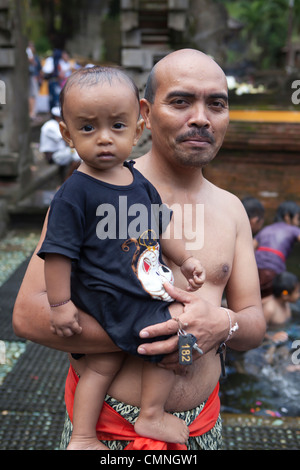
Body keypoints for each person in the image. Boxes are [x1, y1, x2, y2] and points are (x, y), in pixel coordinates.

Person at [13, 48, 266, 451]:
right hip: (107, 429)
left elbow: (253, 321)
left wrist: (221, 325)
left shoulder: (232, 209)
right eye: (181, 101)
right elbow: (28, 315)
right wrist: (158, 331)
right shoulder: (93, 190)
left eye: (216, 103)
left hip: (201, 427)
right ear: (144, 114)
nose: (201, 117)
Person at [37, 65, 205, 450]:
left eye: (116, 126)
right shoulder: (74, 194)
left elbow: (160, 228)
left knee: (101, 365)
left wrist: (186, 260)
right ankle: (151, 414)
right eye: (87, 128)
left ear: (138, 127)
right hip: (110, 295)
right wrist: (60, 304)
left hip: (135, 289)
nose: (104, 139)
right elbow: (57, 253)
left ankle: (82, 436)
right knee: (181, 339)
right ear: (66, 134)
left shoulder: (139, 182)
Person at [254, 201, 300, 298]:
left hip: (255, 268)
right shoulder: (293, 229)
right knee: (275, 298)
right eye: (298, 218)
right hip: (273, 270)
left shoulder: (266, 229)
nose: (298, 223)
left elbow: (252, 245)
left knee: (257, 295)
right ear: (287, 216)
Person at [39, 106, 81, 179]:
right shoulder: (50, 125)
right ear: (56, 117)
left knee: (77, 155)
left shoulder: (56, 124)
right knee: (77, 156)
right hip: (52, 156)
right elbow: (66, 139)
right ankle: (68, 179)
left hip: (59, 152)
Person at [26, 41, 42, 120]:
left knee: (33, 95)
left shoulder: (33, 54)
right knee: (32, 95)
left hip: (32, 76)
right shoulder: (28, 52)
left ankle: (32, 113)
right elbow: (31, 60)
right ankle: (32, 113)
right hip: (31, 76)